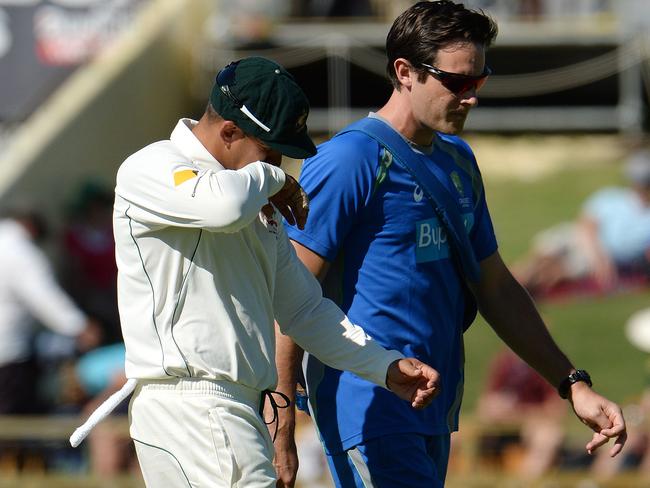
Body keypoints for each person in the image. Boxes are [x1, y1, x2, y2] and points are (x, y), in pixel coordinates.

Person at [273, 2, 628, 487]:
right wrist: (282, 423)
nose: (471, 97)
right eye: (457, 82)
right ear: (405, 72)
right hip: (369, 409)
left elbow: (497, 287)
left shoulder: (458, 160)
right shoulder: (349, 159)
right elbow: (289, 293)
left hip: (435, 408)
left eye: (479, 82)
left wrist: (573, 384)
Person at [113, 56, 442, 488]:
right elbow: (222, 207)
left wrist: (384, 365)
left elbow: (305, 310)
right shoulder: (152, 167)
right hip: (192, 405)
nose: (281, 168)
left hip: (224, 409)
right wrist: (273, 180)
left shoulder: (252, 201)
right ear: (229, 132)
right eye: (271, 154)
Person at [0, 208, 101, 414]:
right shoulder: (19, 250)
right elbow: (43, 296)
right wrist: (79, 326)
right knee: (12, 425)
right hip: (7, 354)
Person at [514, 149, 650, 297]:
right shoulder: (611, 197)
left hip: (603, 258)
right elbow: (586, 224)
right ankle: (511, 284)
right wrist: (597, 256)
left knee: (556, 271)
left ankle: (517, 292)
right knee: (542, 256)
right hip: (579, 238)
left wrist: (601, 260)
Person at [476, 348, 567, 478]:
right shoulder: (505, 362)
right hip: (502, 426)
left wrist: (518, 412)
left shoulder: (550, 363)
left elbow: (555, 410)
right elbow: (485, 405)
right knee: (457, 436)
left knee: (547, 437)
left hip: (533, 425)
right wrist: (495, 408)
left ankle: (526, 482)